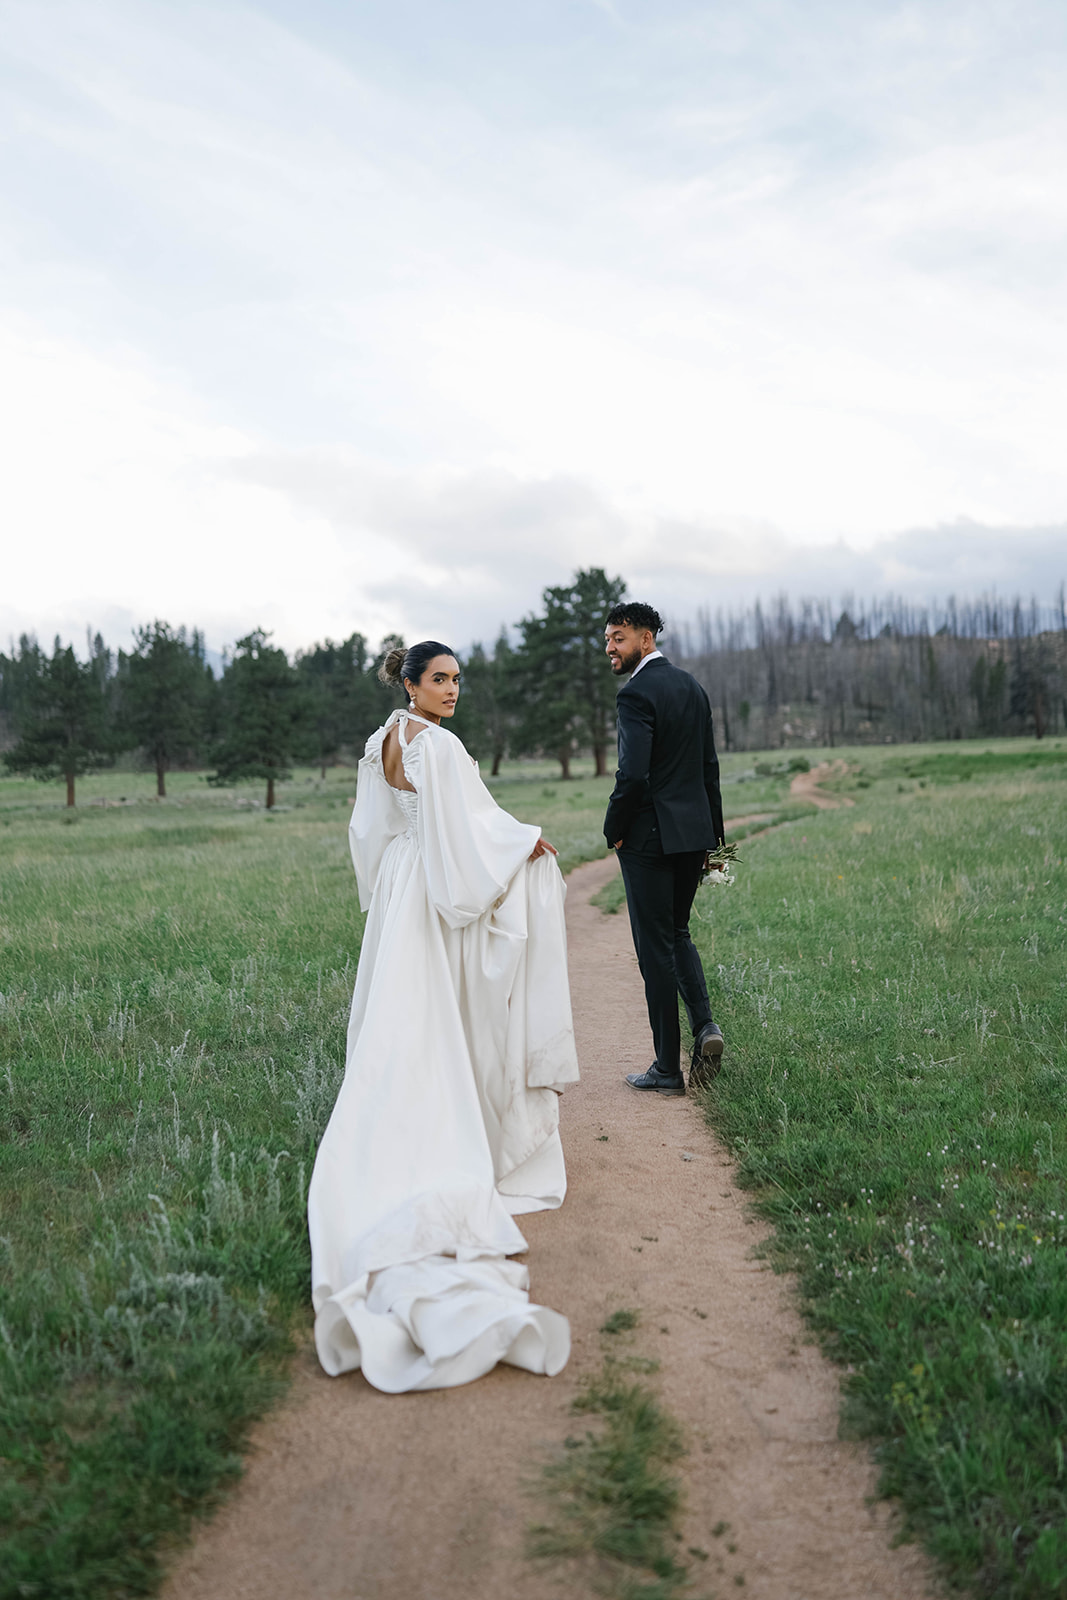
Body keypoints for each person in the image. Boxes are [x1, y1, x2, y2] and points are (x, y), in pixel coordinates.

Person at [308, 641, 579, 1392]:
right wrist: (525, 841)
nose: (452, 689)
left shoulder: (382, 742)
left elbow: (369, 832)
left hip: (399, 885)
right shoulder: (442, 745)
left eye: (457, 679)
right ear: (410, 682)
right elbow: (468, 837)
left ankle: (395, 1122)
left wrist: (405, 866)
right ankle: (450, 1140)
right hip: (430, 888)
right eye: (439, 679)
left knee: (401, 1020)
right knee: (434, 1016)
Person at [603, 603, 726, 1097]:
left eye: (618, 638)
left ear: (646, 639)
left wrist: (614, 826)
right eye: (608, 639)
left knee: (654, 950)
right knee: (677, 934)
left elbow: (632, 774)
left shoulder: (635, 694)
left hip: (650, 839)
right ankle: (705, 1028)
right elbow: (708, 767)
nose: (610, 648)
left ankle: (666, 1069)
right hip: (692, 837)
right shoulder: (692, 687)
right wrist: (713, 839)